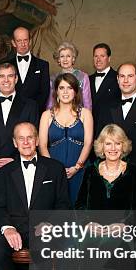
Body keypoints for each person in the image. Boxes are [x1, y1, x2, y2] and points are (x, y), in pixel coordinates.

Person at [61, 124, 136, 270]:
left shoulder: (133, 172)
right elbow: (79, 206)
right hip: (93, 230)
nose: (112, 148)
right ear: (101, 146)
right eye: (108, 143)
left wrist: (123, 225)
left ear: (123, 146)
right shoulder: (90, 171)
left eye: (117, 143)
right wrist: (88, 224)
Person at [0, 122, 71, 270]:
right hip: (14, 227)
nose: (26, 142)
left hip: (43, 226)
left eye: (30, 137)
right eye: (21, 138)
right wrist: (7, 228)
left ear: (36, 140)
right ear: (15, 143)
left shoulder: (55, 168)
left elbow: (63, 205)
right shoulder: (5, 172)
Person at [0, 62, 38, 234]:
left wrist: (14, 159)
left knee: (17, 216)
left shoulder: (30, 105)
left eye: (10, 76)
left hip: (18, 168)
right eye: (2, 76)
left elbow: (31, 137)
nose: (6, 80)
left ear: (16, 79)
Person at [95, 62, 136, 209]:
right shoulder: (105, 108)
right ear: (117, 79)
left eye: (130, 76)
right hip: (109, 179)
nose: (126, 80)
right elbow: (99, 141)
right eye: (122, 76)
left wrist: (128, 170)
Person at [39, 73, 93, 205]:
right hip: (54, 172)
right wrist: (54, 170)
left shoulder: (85, 113)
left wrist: (77, 167)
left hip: (80, 170)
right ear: (56, 91)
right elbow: (42, 145)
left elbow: (88, 143)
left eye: (69, 88)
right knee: (57, 209)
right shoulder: (46, 115)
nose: (65, 92)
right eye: (61, 88)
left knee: (80, 208)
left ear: (75, 91)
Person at [8, 26, 50, 115]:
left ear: (30, 41)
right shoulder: (6, 65)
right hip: (11, 114)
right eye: (19, 41)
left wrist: (33, 111)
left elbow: (45, 92)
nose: (23, 44)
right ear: (13, 43)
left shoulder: (43, 65)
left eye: (25, 40)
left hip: (35, 113)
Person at [46, 42, 92, 110]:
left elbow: (87, 103)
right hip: (58, 116)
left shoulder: (82, 76)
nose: (65, 59)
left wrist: (87, 118)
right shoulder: (53, 79)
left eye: (68, 56)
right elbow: (50, 103)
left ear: (73, 59)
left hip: (78, 115)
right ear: (58, 60)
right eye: (62, 56)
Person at [89, 43, 120, 118]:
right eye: (96, 56)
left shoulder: (118, 77)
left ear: (109, 58)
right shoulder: (88, 79)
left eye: (102, 56)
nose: (98, 59)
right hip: (91, 125)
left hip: (110, 126)